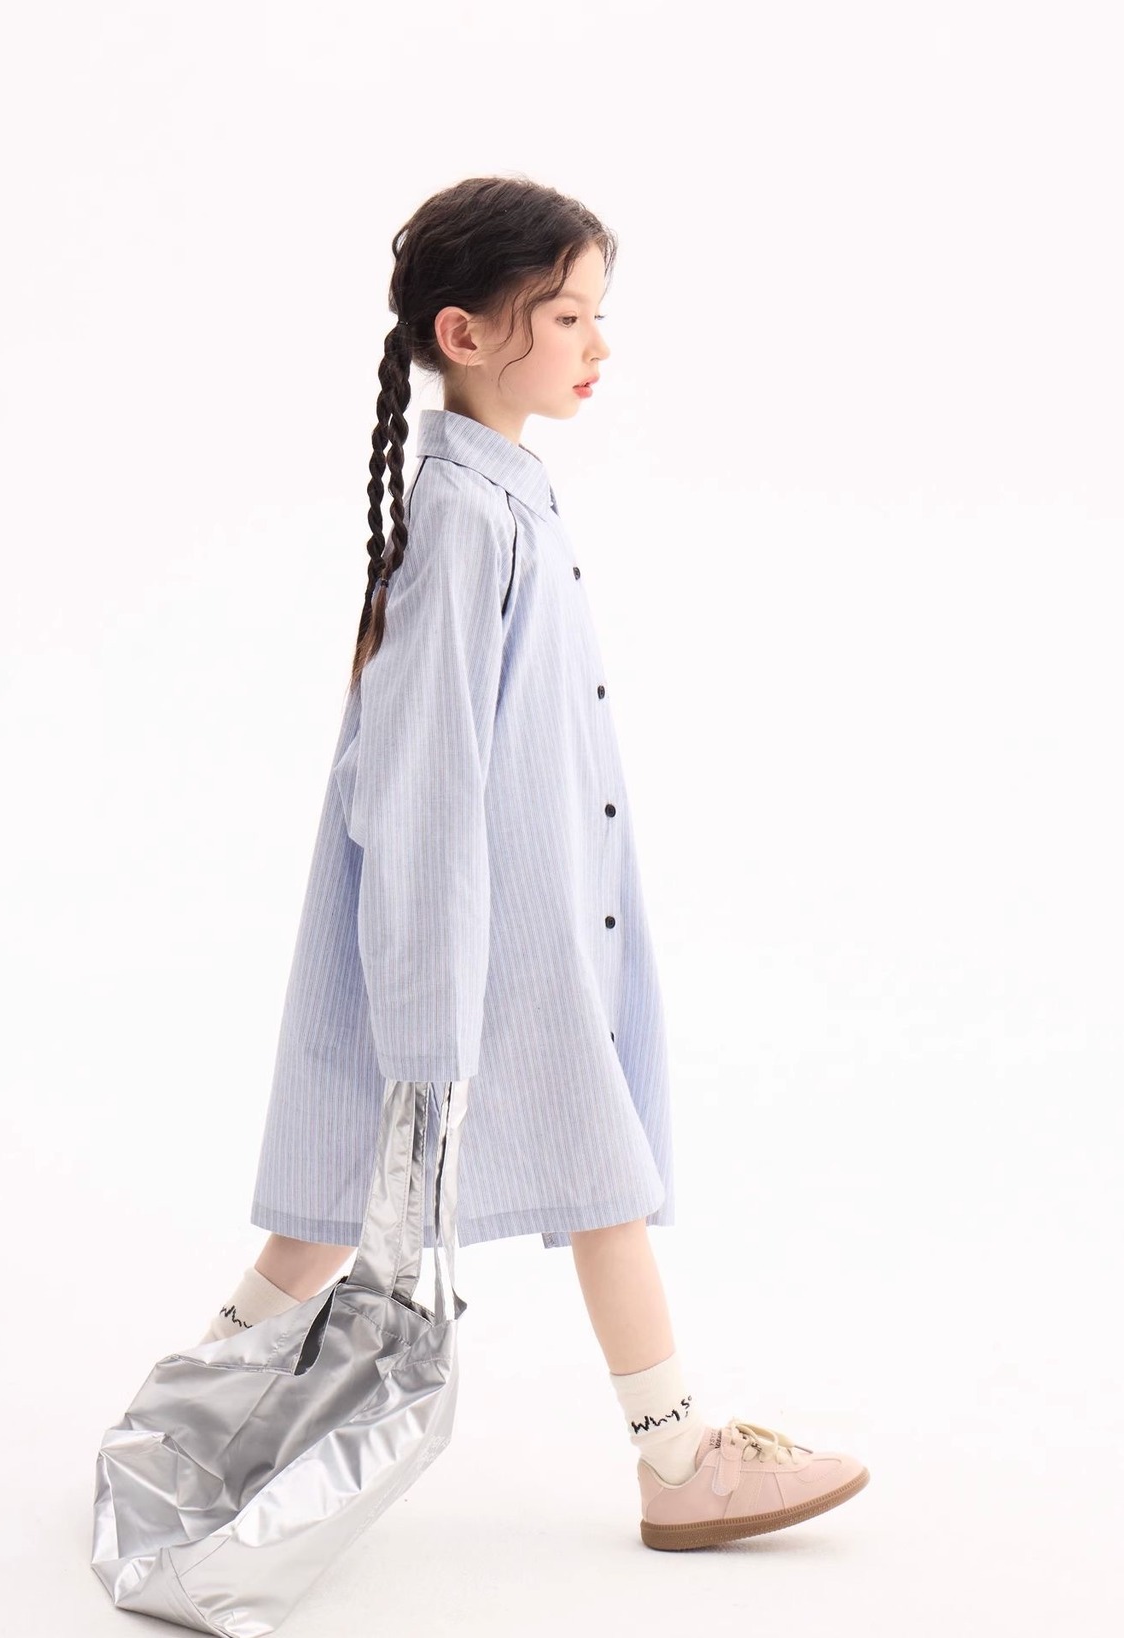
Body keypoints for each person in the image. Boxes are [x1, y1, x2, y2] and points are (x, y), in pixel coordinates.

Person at [193, 175, 870, 1548]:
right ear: (466, 334)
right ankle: (676, 1463)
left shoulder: (500, 499)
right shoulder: (464, 519)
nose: (597, 344)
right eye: (566, 316)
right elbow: (419, 780)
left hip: (524, 926)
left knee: (358, 1203)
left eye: (596, 315)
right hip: (479, 948)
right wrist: (428, 1024)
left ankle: (192, 1426)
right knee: (562, 1176)